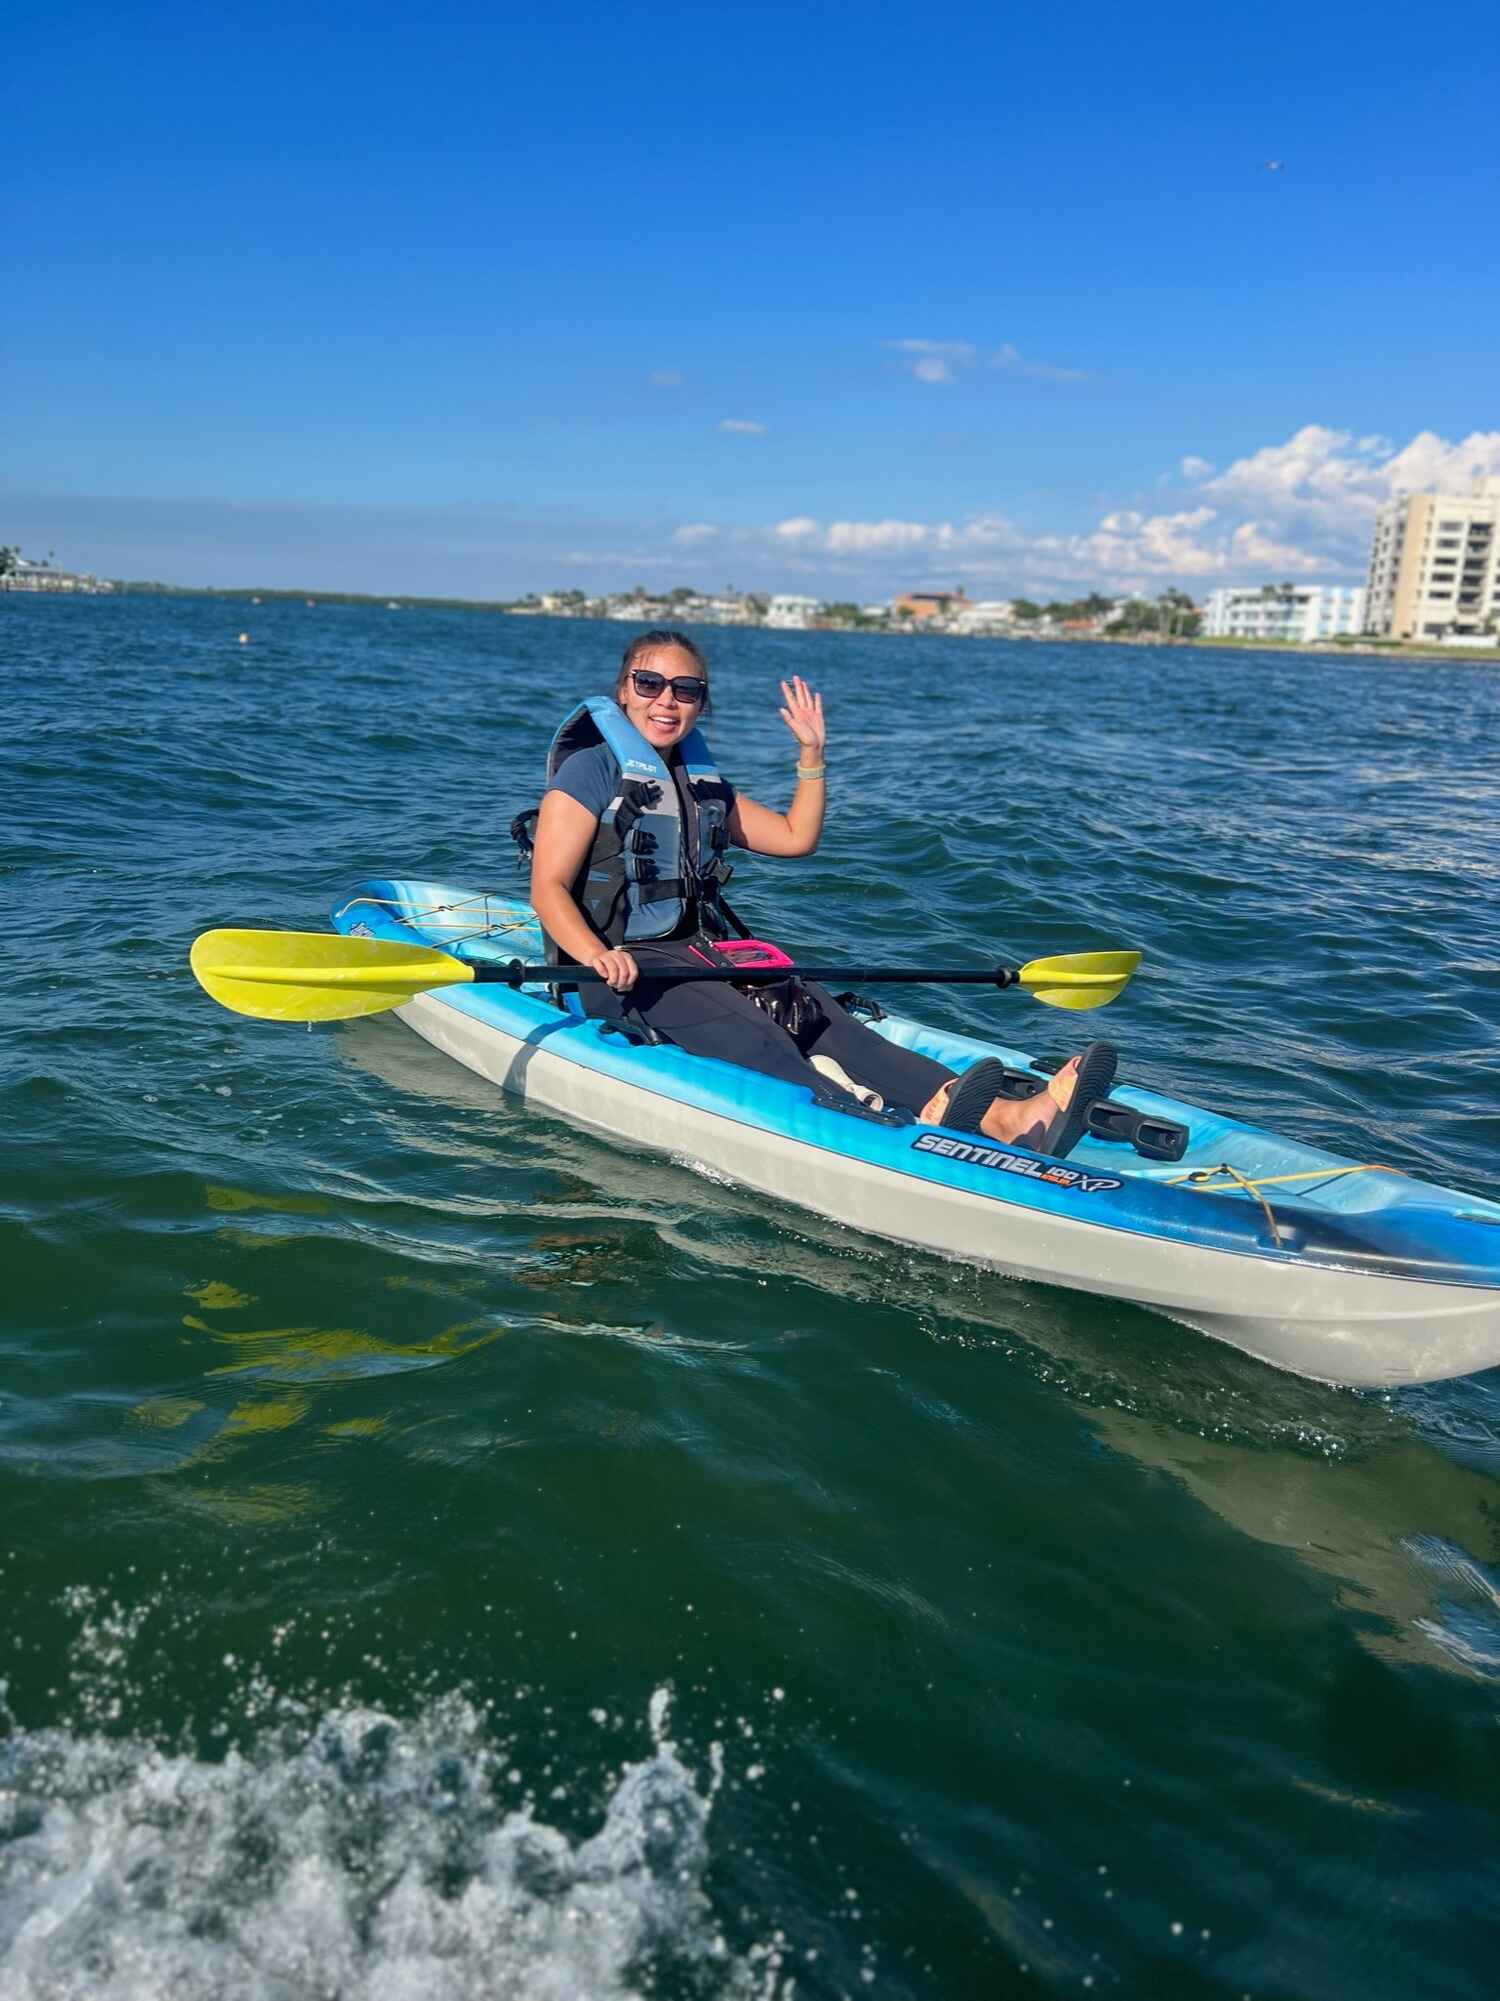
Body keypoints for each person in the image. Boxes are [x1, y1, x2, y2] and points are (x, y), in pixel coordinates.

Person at [528, 629, 1116, 1154]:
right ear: (624, 690)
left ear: (701, 703)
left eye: (685, 689)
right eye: (650, 682)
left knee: (823, 1019)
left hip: (700, 954)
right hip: (616, 972)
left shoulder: (699, 784)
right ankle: (870, 1125)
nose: (667, 700)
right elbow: (548, 887)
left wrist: (812, 755)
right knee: (755, 1032)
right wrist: (596, 955)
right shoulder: (593, 770)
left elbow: (794, 837)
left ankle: (1006, 1116)